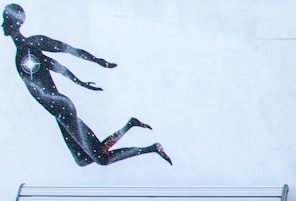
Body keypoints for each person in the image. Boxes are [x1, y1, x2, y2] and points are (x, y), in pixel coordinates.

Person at [2, 3, 171, 166]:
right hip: (57, 112)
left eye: (5, 20)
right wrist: (79, 82)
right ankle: (130, 124)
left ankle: (152, 148)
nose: (2, 25)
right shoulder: (23, 51)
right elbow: (54, 65)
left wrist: (95, 63)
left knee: (101, 158)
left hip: (62, 108)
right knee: (83, 160)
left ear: (15, 23)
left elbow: (67, 50)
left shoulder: (32, 43)